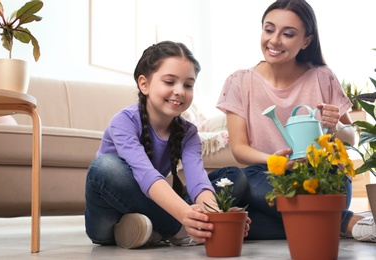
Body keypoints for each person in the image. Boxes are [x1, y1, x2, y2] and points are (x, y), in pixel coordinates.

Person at [217, 0, 375, 242]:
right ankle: (346, 222)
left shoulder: (322, 76)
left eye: (288, 34)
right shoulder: (239, 81)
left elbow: (352, 136)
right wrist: (275, 161)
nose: (274, 40)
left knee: (249, 221)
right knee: (247, 178)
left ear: (306, 41)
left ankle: (326, 220)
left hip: (321, 174)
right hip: (267, 175)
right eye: (269, 30)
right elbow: (239, 149)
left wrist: (336, 127)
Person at [85, 40, 250, 249]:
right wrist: (185, 215)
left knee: (234, 176)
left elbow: (198, 181)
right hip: (109, 217)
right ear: (144, 84)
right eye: (170, 82)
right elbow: (147, 175)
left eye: (188, 85)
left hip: (154, 205)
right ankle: (179, 230)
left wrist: (216, 215)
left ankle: (159, 229)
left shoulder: (188, 132)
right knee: (105, 167)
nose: (180, 91)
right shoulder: (123, 121)